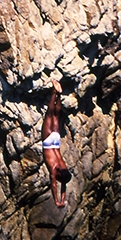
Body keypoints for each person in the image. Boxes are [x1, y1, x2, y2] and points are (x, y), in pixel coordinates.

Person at [41, 79, 71, 207]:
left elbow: (63, 184)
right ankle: (54, 91)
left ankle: (58, 94)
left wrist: (62, 199)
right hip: (48, 143)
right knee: (49, 115)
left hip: (56, 140)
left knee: (56, 116)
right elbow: (54, 185)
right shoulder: (54, 170)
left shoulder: (64, 168)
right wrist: (56, 201)